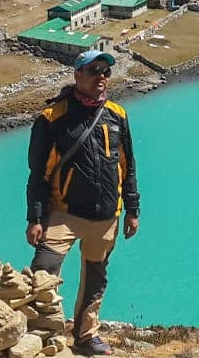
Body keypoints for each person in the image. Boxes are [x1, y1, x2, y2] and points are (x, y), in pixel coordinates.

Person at [26, 49, 140, 356]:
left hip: (107, 215)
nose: (101, 77)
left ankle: (86, 335)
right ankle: (38, 332)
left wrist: (132, 209)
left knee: (95, 278)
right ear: (78, 75)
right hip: (63, 213)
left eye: (106, 72)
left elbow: (127, 164)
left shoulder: (118, 114)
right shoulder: (52, 118)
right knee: (43, 270)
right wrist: (35, 218)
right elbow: (38, 173)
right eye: (94, 71)